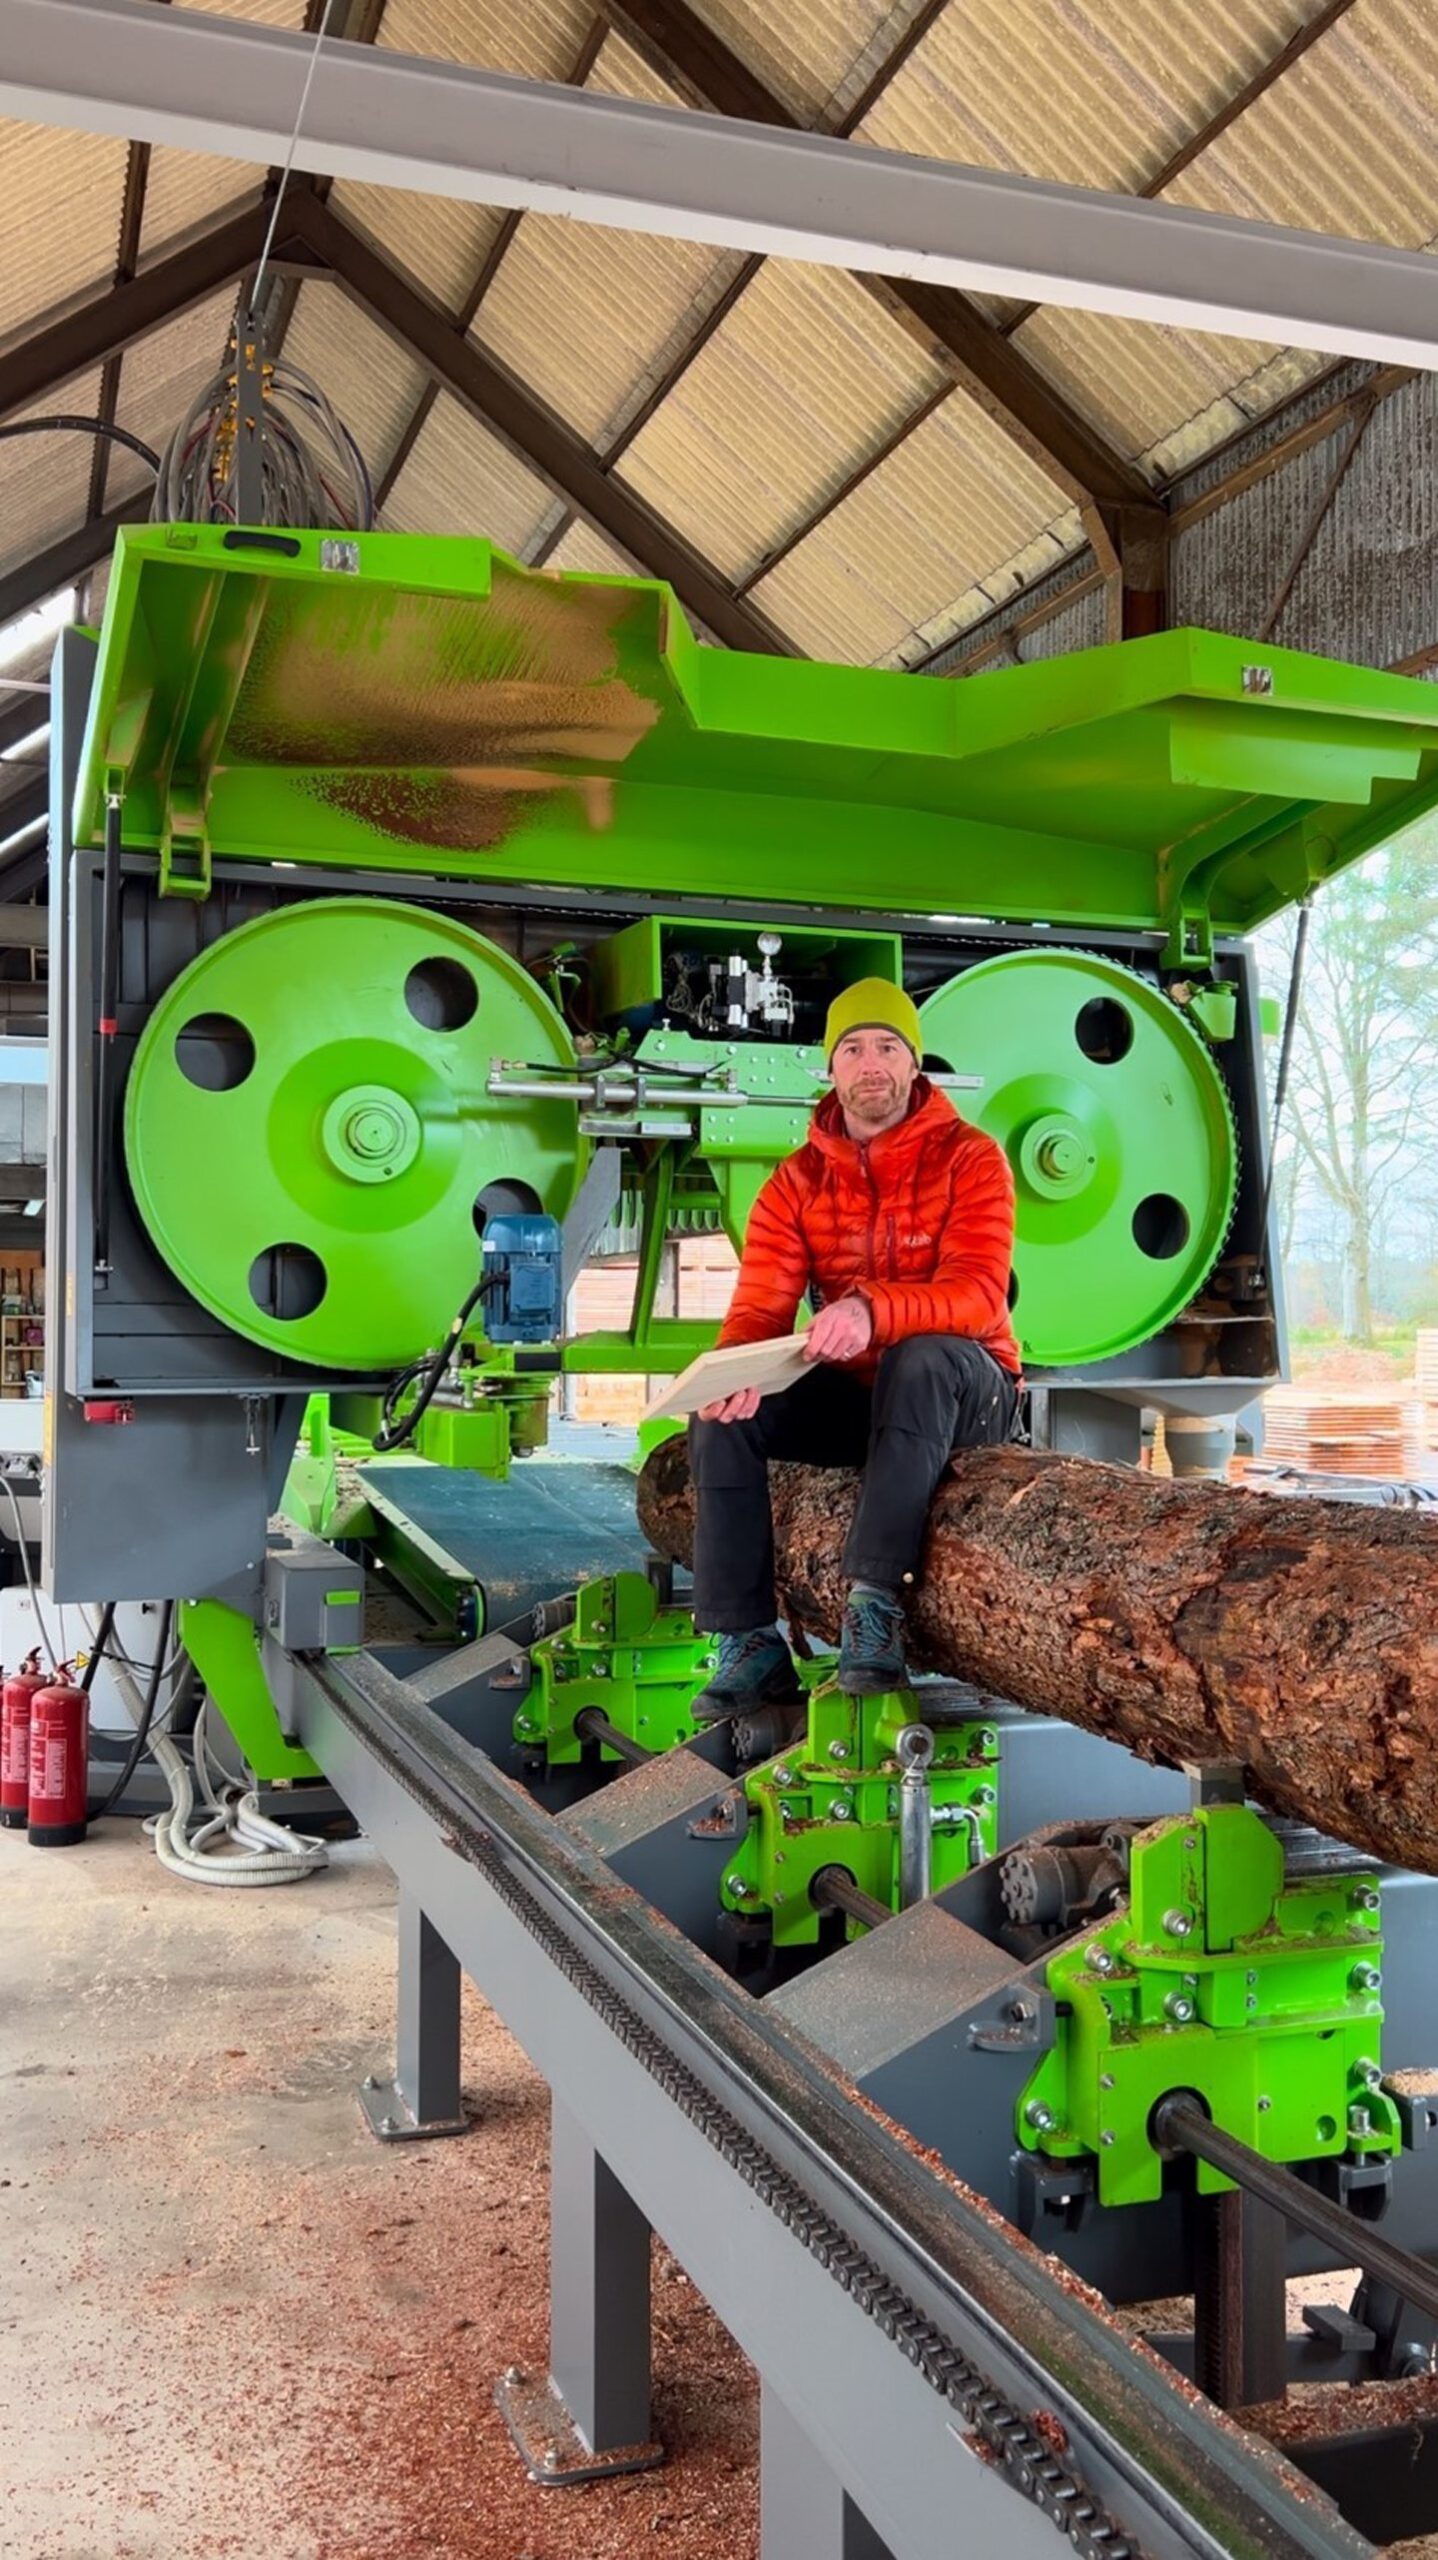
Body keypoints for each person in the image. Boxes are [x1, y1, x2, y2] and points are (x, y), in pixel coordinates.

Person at [690, 977, 1020, 1709]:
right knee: (723, 1412)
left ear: (913, 1064)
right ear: (830, 1068)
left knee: (919, 1355)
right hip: (864, 1405)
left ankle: (874, 1608)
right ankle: (747, 1640)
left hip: (969, 1392)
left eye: (888, 1047)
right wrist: (738, 1368)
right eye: (853, 1049)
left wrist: (872, 1308)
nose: (872, 1064)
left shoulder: (972, 1157)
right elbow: (759, 1308)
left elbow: (978, 1296)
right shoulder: (795, 1182)